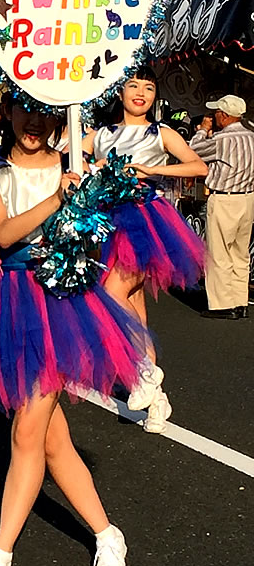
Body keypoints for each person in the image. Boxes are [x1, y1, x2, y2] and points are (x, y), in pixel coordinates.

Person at [0, 97, 149, 566]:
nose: (34, 121)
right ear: (7, 110)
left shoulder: (77, 165)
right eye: (24, 108)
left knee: (27, 430)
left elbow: (102, 243)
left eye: (45, 111)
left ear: (62, 115)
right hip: (7, 304)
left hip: (59, 307)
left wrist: (91, 203)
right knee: (52, 442)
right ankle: (107, 534)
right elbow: (3, 232)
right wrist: (60, 199)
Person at [93, 68, 207, 434]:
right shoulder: (99, 134)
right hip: (107, 223)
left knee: (112, 292)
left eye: (148, 87)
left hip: (146, 222)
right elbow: (62, 157)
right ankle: (156, 398)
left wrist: (150, 169)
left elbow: (199, 166)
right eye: (133, 85)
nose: (140, 92)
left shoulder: (161, 132)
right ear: (120, 91)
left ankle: (144, 373)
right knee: (135, 308)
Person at [190, 95, 254, 319]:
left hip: (225, 198)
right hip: (247, 198)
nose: (214, 117)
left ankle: (223, 305)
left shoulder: (221, 140)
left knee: (219, 253)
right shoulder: (251, 137)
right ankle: (240, 301)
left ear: (224, 115)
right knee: (240, 253)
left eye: (216, 113)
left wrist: (202, 130)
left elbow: (193, 151)